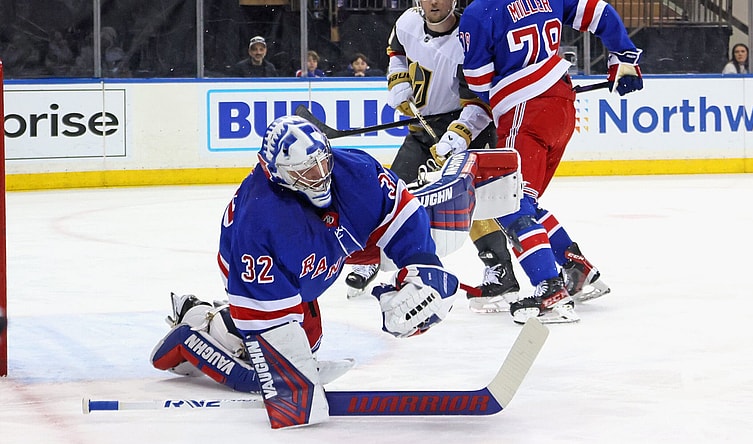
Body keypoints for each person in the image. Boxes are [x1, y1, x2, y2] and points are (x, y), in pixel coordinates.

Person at [150, 115, 459, 429]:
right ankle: (197, 326)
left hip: (319, 240)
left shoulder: (353, 169)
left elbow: (402, 213)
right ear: (276, 173)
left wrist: (423, 268)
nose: (321, 175)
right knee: (296, 347)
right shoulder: (260, 223)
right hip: (260, 273)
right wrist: (291, 385)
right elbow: (263, 313)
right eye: (306, 172)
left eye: (323, 163)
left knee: (302, 342)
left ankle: (221, 324)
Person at [458, 0, 643, 324]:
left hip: (524, 112)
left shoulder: (478, 11)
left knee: (509, 203)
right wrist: (622, 55)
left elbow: (478, 83)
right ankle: (576, 268)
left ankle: (550, 290)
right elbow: (598, 12)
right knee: (525, 202)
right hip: (562, 106)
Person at [344, 0, 521, 313]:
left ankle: (501, 271)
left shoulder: (470, 36)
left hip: (468, 125)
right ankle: (373, 257)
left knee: (475, 203)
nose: (434, 2)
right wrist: (398, 82)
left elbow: (482, 100)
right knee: (392, 191)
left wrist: (460, 134)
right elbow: (396, 53)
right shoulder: (408, 22)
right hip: (422, 129)